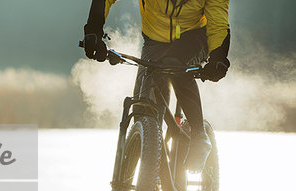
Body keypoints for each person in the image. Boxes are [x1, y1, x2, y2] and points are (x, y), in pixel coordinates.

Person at [82, 0, 230, 172]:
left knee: (176, 65)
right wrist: (93, 31)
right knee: (143, 106)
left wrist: (218, 58)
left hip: (193, 37)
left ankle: (199, 135)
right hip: (155, 40)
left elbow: (218, 23)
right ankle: (149, 165)